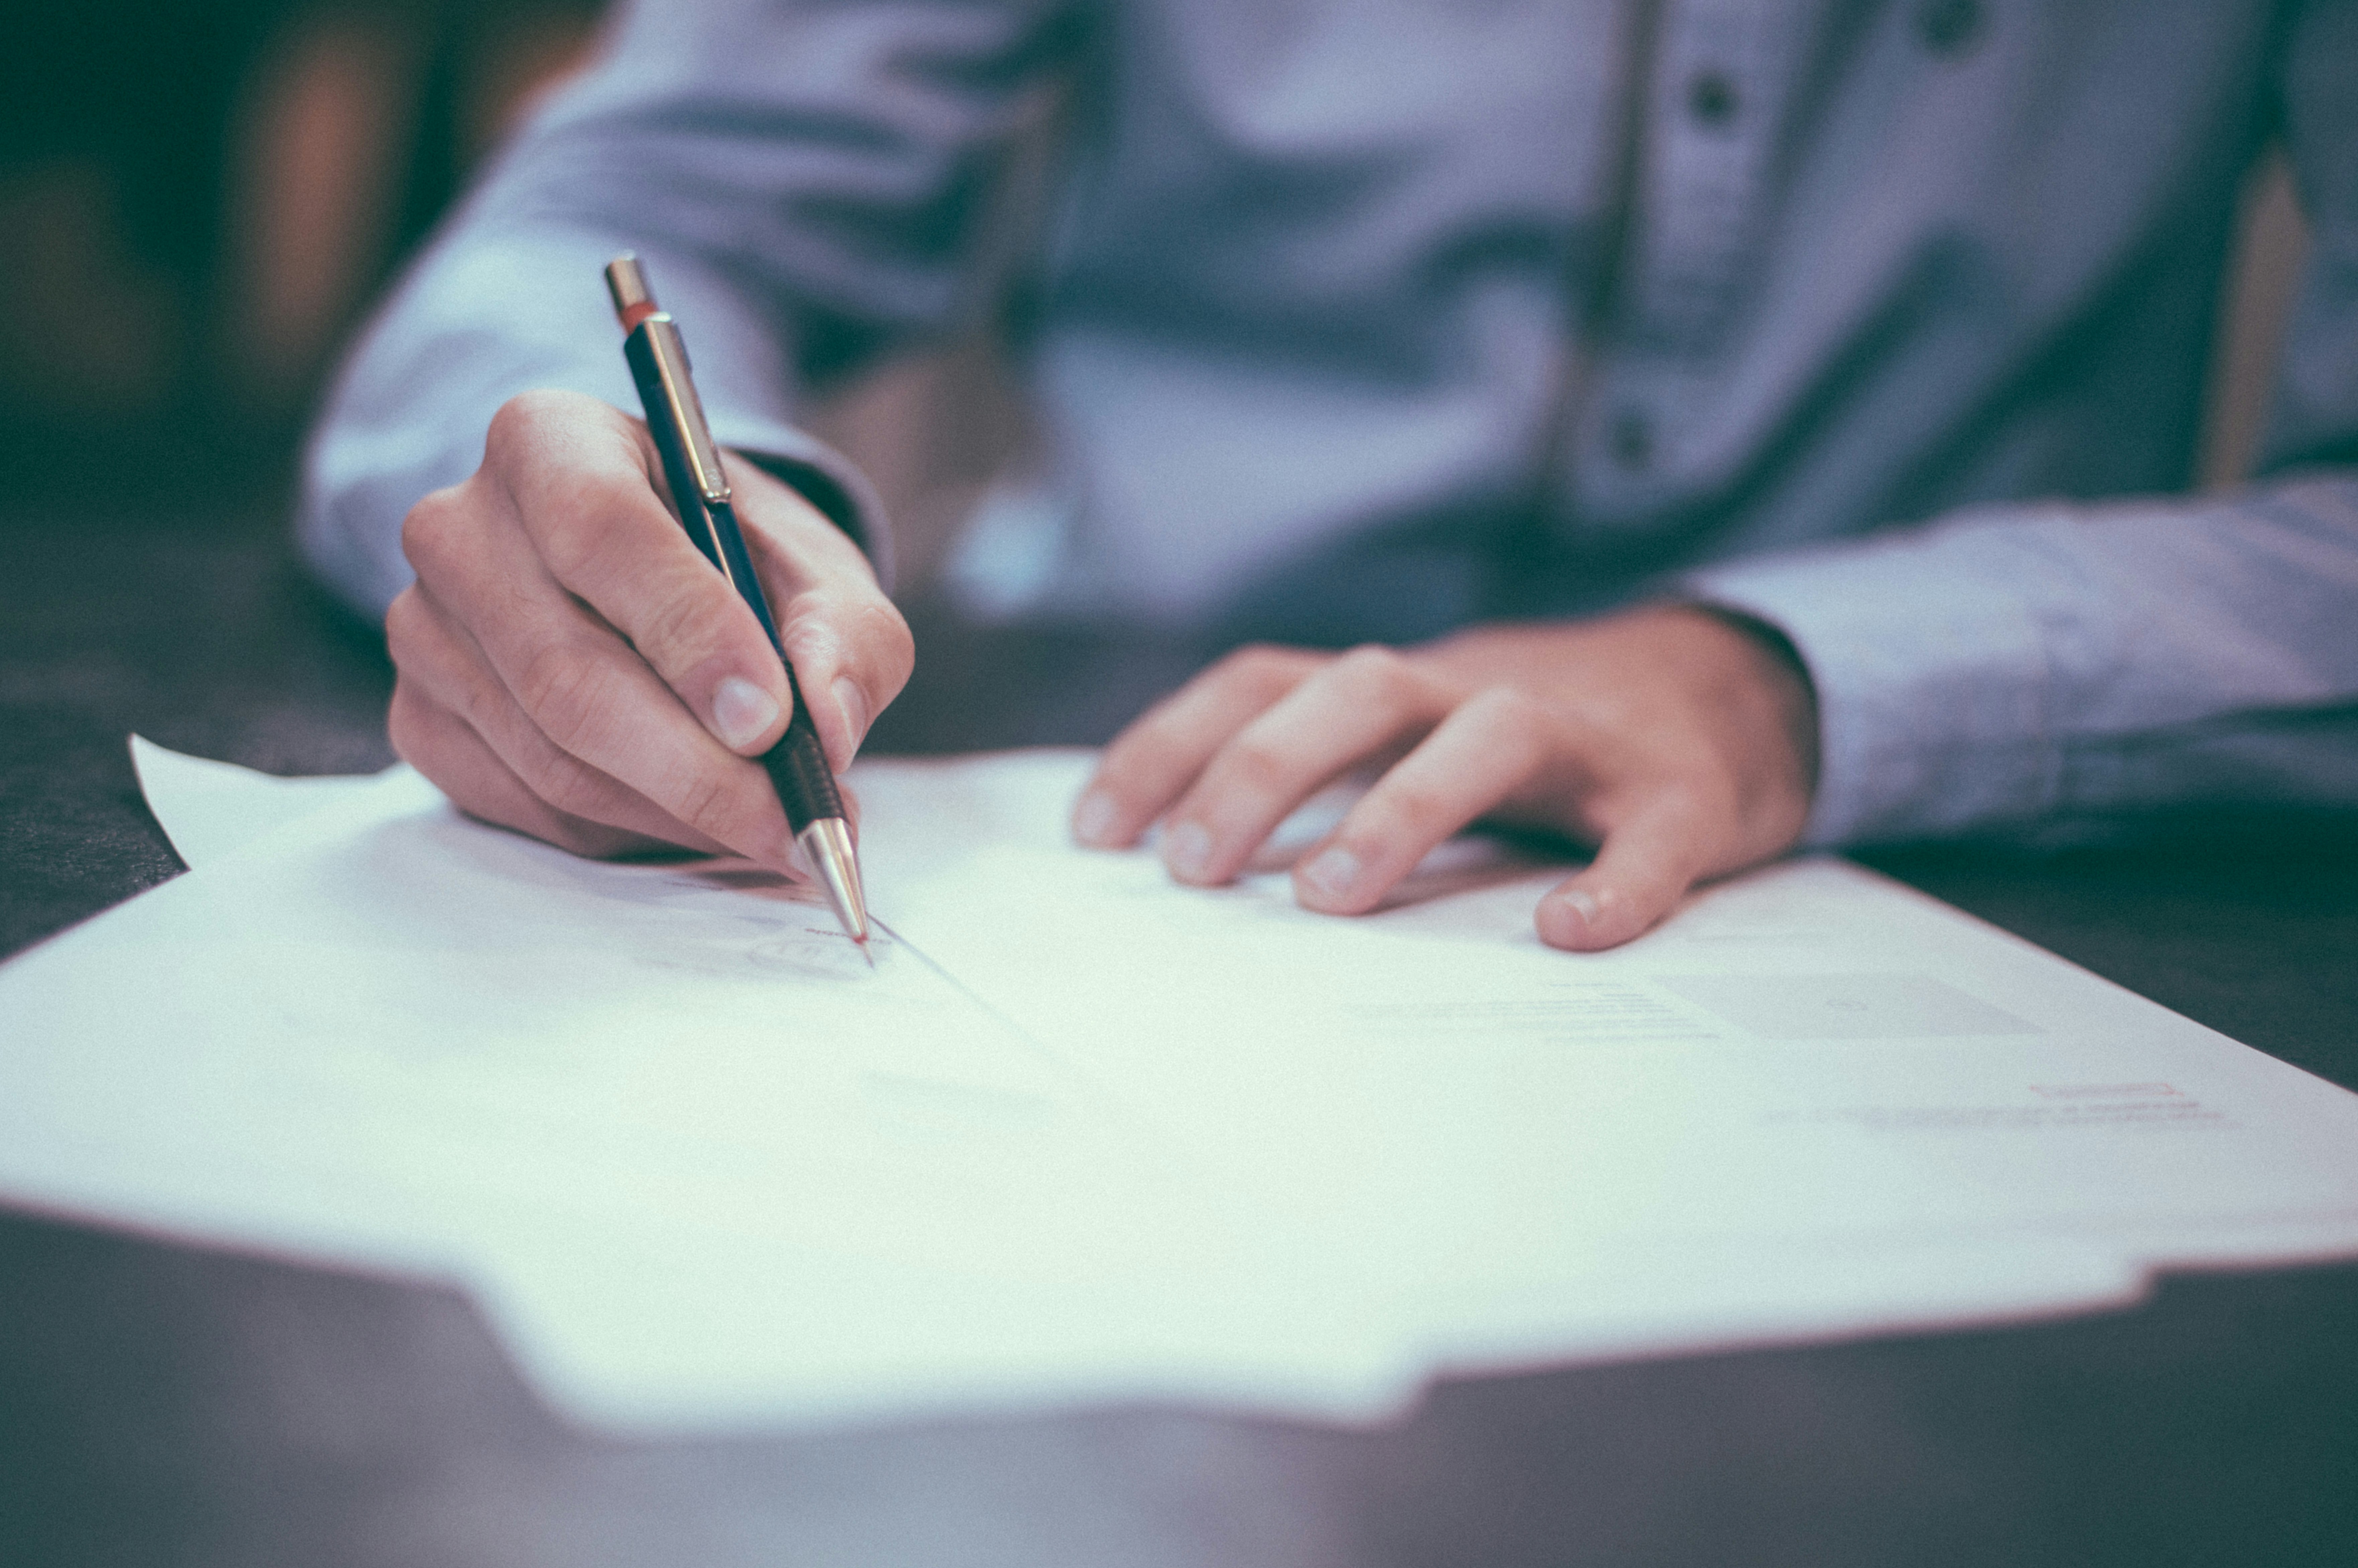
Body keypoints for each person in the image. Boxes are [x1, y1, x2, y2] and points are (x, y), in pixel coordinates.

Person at [301, 0, 2358, 952]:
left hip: (1987, 878)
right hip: (1114, 796)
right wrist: (648, 525)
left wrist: (1786, 675)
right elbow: (629, 206)